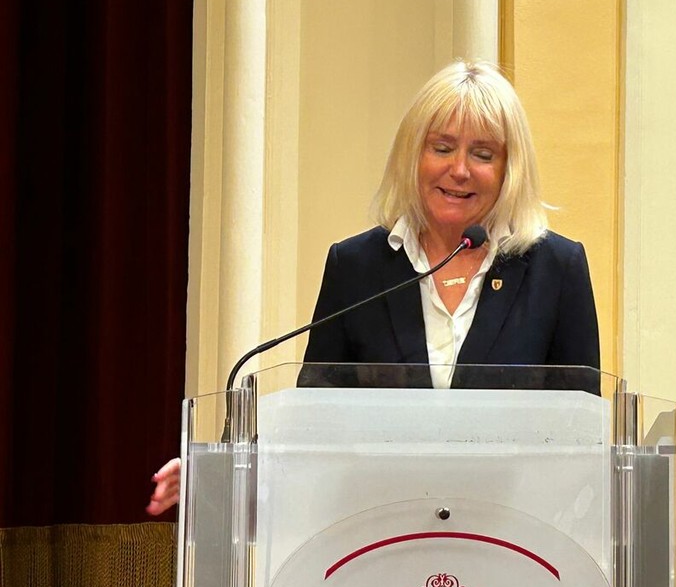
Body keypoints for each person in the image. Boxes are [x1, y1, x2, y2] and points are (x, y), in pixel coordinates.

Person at [147, 60, 599, 516]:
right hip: (381, 533)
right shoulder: (357, 268)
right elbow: (314, 424)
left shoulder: (556, 270)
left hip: (519, 536)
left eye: (483, 154)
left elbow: (583, 436)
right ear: (413, 155)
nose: (459, 169)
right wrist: (224, 472)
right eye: (442, 148)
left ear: (509, 168)